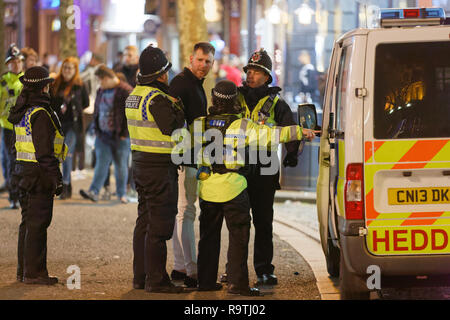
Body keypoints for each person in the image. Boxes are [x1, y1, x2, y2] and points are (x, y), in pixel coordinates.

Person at [191, 80, 316, 296]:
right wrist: (299, 131)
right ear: (234, 103)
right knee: (238, 236)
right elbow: (272, 135)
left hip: (208, 189)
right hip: (233, 188)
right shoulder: (242, 126)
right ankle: (237, 284)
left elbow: (184, 150)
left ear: (213, 99)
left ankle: (205, 281)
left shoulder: (199, 123)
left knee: (208, 236)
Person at [221, 48, 302, 286]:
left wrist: (292, 153)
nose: (251, 75)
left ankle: (264, 270)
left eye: (257, 72)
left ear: (267, 77)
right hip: (238, 167)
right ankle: (233, 270)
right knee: (237, 222)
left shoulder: (277, 103)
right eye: (249, 71)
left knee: (264, 222)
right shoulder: (235, 98)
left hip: (266, 169)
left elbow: (290, 128)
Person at [127, 45, 185, 293]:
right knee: (160, 225)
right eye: (167, 72)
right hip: (159, 167)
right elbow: (172, 127)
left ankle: (140, 277)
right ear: (161, 74)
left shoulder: (135, 94)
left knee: (144, 221)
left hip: (140, 163)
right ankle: (157, 279)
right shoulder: (158, 99)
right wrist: (179, 109)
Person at [8, 66, 67, 285]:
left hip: (23, 171)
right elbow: (44, 153)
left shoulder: (22, 110)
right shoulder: (40, 113)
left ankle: (24, 271)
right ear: (44, 87)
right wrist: (56, 178)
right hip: (38, 174)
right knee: (38, 224)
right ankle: (34, 273)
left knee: (28, 223)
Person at [168, 41, 215, 288]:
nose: (203, 65)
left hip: (189, 155)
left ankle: (179, 266)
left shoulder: (194, 84)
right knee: (186, 212)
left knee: (182, 212)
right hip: (185, 157)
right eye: (200, 60)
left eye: (208, 61)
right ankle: (191, 270)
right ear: (190, 58)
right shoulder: (182, 83)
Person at [79, 65, 132, 203]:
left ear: (107, 78)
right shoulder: (101, 90)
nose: (99, 84)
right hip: (103, 135)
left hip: (120, 136)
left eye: (101, 80)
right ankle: (94, 191)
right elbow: (97, 110)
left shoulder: (125, 90)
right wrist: (97, 130)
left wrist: (124, 133)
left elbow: (130, 114)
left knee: (121, 166)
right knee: (101, 164)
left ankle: (121, 194)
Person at [50, 57, 89, 199]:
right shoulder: (55, 83)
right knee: (56, 155)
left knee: (66, 154)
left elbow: (85, 103)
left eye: (70, 68)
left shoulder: (80, 84)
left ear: (75, 70)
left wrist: (72, 107)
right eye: (65, 67)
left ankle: (66, 185)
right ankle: (61, 184)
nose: (67, 70)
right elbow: (51, 102)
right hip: (58, 125)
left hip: (73, 125)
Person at [0, 44, 24, 208]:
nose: (16, 64)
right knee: (10, 160)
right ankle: (13, 195)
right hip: (8, 127)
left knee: (21, 161)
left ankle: (19, 193)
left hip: (23, 127)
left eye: (18, 61)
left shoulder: (27, 80)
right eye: (13, 62)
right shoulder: (3, 81)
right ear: (8, 64)